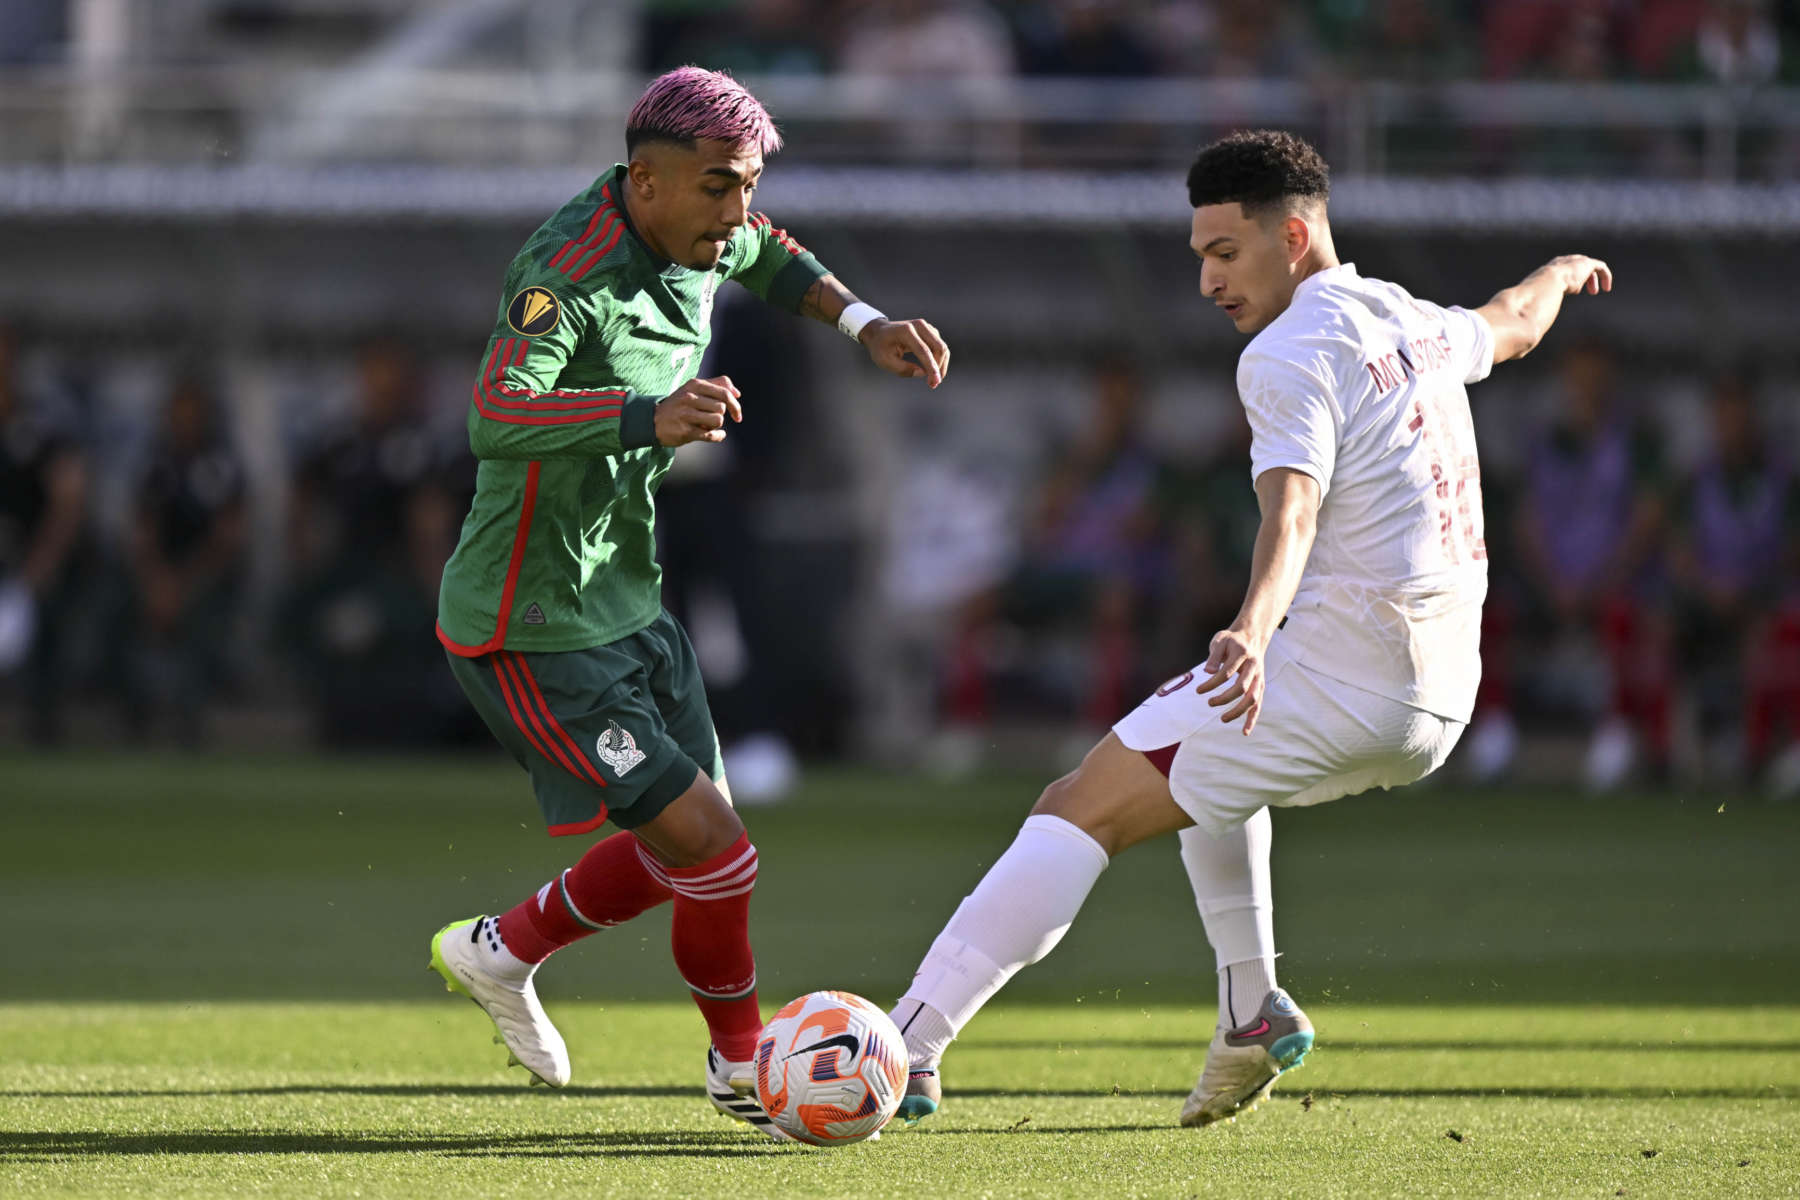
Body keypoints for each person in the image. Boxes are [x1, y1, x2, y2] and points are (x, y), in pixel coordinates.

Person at [885, 129, 1610, 1130]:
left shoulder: (1288, 350)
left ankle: (904, 1046)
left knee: (1075, 807)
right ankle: (1250, 1010)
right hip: (1440, 700)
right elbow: (1513, 325)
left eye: (1225, 252)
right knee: (1214, 776)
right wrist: (1561, 273)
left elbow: (1293, 512)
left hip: (1339, 676)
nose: (1207, 281)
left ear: (1296, 235)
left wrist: (1251, 629)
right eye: (1199, 257)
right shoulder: (1405, 317)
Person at [426, 67, 949, 1138]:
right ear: (645, 182)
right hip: (530, 624)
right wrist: (646, 415)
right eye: (720, 189)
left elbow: (772, 254)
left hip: (627, 597)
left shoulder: (708, 230)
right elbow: (494, 411)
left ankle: (504, 948)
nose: (738, 214)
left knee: (691, 860)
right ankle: (741, 1065)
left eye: (748, 186)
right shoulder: (563, 274)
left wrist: (861, 322)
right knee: (716, 851)